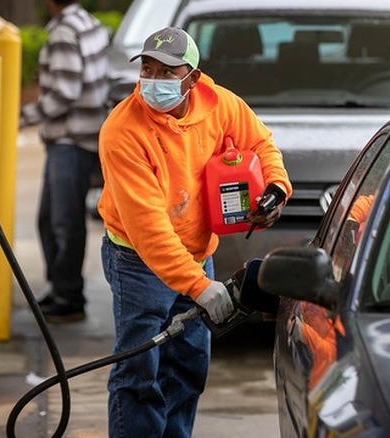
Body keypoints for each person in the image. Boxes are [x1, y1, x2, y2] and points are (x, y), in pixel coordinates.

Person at [98, 27, 292, 437]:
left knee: (187, 365)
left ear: (193, 78)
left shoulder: (220, 104)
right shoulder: (123, 131)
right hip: (137, 261)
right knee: (139, 372)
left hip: (196, 250)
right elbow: (148, 228)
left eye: (169, 72)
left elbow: (261, 143)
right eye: (148, 69)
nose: (155, 81)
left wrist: (275, 187)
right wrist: (199, 286)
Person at [19, 0, 109, 322]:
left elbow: (63, 93)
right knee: (52, 221)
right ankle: (62, 290)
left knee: (63, 224)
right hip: (83, 136)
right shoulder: (89, 22)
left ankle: (69, 298)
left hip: (70, 141)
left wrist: (20, 116)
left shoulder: (64, 32)